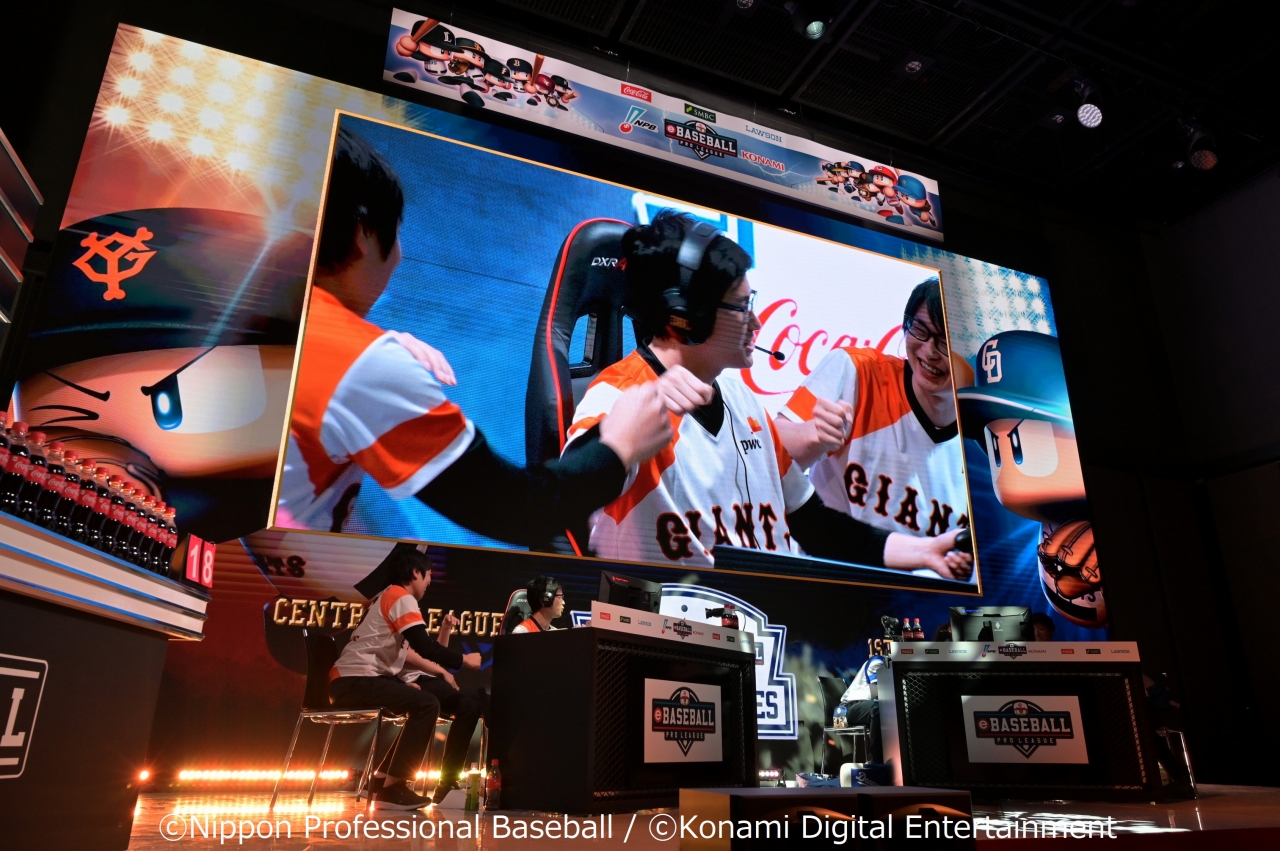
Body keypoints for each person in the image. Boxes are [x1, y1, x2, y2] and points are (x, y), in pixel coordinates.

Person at [278, 127, 705, 540]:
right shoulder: (363, 364)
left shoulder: (272, 314)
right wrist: (618, 449)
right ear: (362, 235)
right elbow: (517, 509)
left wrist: (368, 349)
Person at [563, 210, 969, 575]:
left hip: (775, 618)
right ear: (685, 317)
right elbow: (565, 499)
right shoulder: (619, 396)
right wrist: (623, 439)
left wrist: (924, 551)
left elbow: (813, 523)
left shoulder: (743, 401)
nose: (756, 322)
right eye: (742, 307)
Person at [773, 278, 971, 581]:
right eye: (920, 330)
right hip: (832, 580)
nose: (930, 351)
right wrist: (813, 435)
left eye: (945, 342)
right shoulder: (856, 370)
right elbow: (768, 455)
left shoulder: (987, 436)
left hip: (928, 598)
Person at [329, 547, 481, 809]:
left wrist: (400, 684)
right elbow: (424, 647)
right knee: (427, 704)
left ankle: (381, 782)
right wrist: (463, 660)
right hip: (354, 681)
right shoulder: (401, 597)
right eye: (429, 574)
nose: (430, 580)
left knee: (421, 700)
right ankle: (393, 789)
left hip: (353, 680)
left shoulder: (385, 595)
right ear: (415, 572)